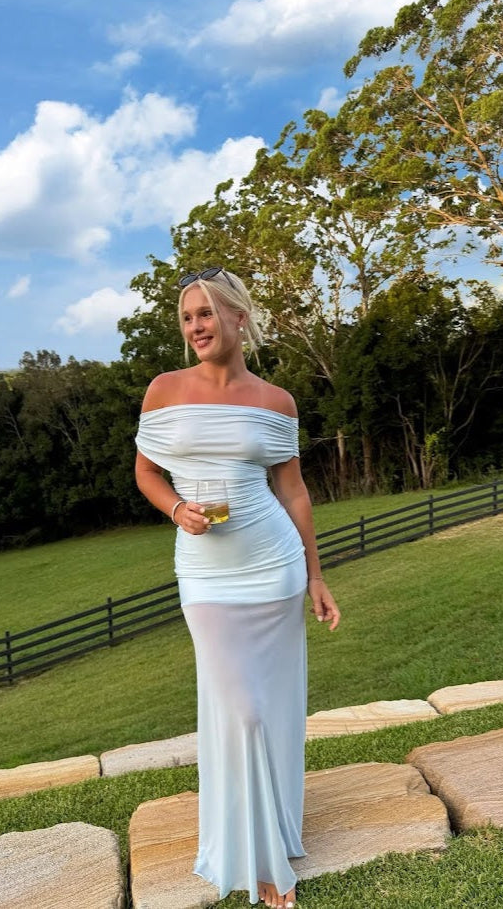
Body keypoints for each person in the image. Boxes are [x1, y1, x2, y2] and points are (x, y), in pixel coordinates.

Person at [134, 267, 340, 909]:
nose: (196, 326)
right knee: (241, 709)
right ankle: (258, 859)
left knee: (272, 709)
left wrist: (315, 574)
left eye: (206, 313)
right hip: (206, 575)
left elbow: (294, 491)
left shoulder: (276, 401)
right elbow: (145, 473)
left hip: (274, 568)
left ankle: (274, 831)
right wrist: (176, 509)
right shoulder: (164, 390)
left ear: (238, 319)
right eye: (187, 317)